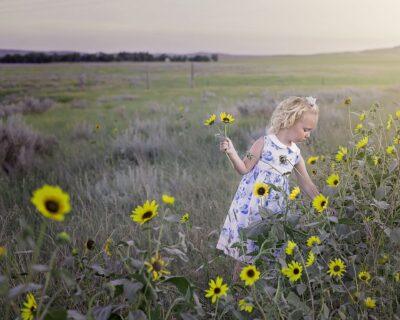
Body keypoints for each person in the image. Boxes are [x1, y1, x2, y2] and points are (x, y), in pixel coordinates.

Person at [216, 96, 320, 280]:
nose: (308, 135)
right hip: (252, 209)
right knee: (245, 255)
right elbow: (243, 168)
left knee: (269, 252)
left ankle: (263, 294)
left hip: (275, 212)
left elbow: (307, 184)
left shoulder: (295, 153)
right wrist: (231, 152)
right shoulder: (263, 143)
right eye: (306, 130)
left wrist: (323, 205)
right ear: (291, 120)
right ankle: (236, 295)